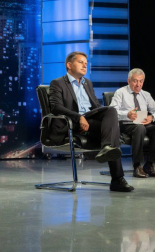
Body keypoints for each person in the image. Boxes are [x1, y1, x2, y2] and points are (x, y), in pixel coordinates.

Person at [49, 51, 134, 192]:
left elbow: (96, 107)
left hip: (90, 120)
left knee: (110, 111)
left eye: (86, 63)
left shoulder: (87, 83)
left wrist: (106, 119)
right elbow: (56, 107)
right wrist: (78, 117)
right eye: (80, 62)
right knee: (113, 132)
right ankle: (117, 179)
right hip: (72, 122)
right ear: (69, 65)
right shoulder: (58, 83)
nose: (85, 66)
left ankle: (107, 148)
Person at [110, 68, 155, 178]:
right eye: (135, 81)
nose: (138, 84)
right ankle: (137, 166)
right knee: (139, 128)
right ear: (129, 81)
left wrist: (152, 117)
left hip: (143, 123)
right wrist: (127, 114)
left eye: (141, 81)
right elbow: (112, 111)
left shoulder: (146, 94)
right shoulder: (120, 92)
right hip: (126, 124)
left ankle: (149, 164)